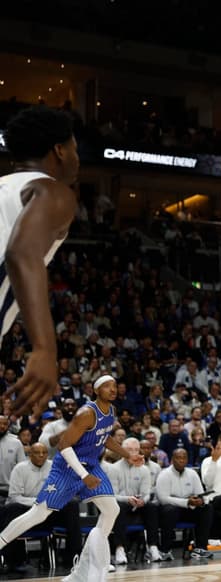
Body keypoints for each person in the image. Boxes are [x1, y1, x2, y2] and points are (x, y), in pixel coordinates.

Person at [0, 375, 143, 582]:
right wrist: (84, 476)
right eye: (107, 386)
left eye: (114, 386)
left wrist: (128, 454)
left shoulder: (110, 411)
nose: (113, 389)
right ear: (96, 391)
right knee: (38, 514)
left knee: (112, 510)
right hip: (67, 468)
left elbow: (105, 437)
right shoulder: (86, 413)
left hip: (91, 465)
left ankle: (85, 566)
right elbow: (63, 445)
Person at [0, 106, 79, 416]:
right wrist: (45, 348)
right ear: (59, 150)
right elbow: (22, 253)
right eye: (74, 148)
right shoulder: (51, 190)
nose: (77, 157)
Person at [0, 442, 81, 570]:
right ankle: (10, 561)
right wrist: (38, 503)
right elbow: (15, 497)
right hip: (26, 513)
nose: (41, 455)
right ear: (29, 454)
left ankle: (74, 557)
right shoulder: (20, 469)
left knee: (72, 504)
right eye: (37, 453)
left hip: (50, 514)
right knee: (12, 508)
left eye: (44, 453)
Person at [155, 448, 214, 559]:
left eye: (184, 458)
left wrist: (201, 501)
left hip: (188, 509)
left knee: (207, 508)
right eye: (178, 458)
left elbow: (201, 494)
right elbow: (163, 499)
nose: (181, 460)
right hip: (169, 511)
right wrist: (186, 502)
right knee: (169, 510)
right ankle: (165, 550)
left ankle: (200, 548)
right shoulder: (164, 474)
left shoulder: (192, 474)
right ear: (172, 460)